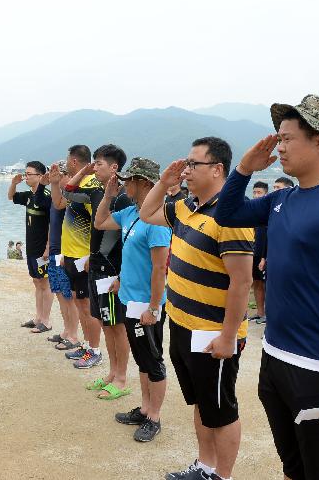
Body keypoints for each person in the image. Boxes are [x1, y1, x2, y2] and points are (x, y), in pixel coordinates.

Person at [214, 95, 319, 480]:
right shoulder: (283, 199)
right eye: (278, 138)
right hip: (275, 356)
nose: (279, 147)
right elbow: (227, 213)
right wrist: (243, 170)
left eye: (287, 138)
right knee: (293, 465)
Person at [141, 137, 254, 480]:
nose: (186, 170)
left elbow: (242, 283)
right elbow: (147, 213)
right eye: (186, 164)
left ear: (218, 169)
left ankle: (223, 475)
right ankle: (205, 466)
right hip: (182, 323)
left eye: (193, 165)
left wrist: (227, 336)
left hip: (213, 333)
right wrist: (164, 182)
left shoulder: (232, 215)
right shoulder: (185, 207)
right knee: (201, 402)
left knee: (221, 409)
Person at [95, 157, 171, 442]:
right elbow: (101, 222)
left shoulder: (158, 221)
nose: (125, 183)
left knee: (153, 361)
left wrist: (153, 307)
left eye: (130, 180)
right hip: (130, 299)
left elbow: (159, 268)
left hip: (146, 305)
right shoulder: (130, 213)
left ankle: (154, 416)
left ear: (144, 183)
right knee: (142, 358)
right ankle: (144, 408)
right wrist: (108, 195)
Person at [63, 144, 133, 385]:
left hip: (112, 271)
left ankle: (121, 377)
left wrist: (123, 275)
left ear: (114, 168)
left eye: (99, 164)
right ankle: (112, 372)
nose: (95, 168)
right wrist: (84, 172)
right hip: (96, 266)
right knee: (106, 322)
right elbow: (68, 192)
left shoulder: (124, 200)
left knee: (117, 327)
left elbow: (128, 242)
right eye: (93, 163)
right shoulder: (98, 194)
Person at [49, 145, 99, 363]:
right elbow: (59, 203)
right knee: (80, 304)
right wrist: (53, 183)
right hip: (70, 254)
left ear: (74, 162)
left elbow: (100, 224)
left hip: (83, 257)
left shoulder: (91, 187)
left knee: (87, 307)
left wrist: (91, 254)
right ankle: (85, 346)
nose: (66, 164)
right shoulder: (76, 185)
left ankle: (95, 351)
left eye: (68, 160)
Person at [9, 161, 53, 333]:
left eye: (29, 174)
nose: (26, 177)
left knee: (45, 283)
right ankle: (38, 317)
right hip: (32, 246)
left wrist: (48, 247)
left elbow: (52, 224)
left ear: (40, 176)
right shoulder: (28, 195)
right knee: (36, 281)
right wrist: (14, 183)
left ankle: (46, 321)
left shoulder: (47, 196)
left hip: (43, 247)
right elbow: (11, 197)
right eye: (25, 174)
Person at [42, 161, 81, 351]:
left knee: (68, 296)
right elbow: (52, 223)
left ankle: (73, 334)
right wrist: (49, 246)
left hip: (66, 252)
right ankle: (66, 330)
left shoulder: (72, 199)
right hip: (55, 251)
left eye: (62, 174)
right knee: (58, 292)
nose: (58, 178)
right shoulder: (56, 197)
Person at [249, 181, 269, 324]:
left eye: (259, 192)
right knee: (256, 283)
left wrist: (264, 257)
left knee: (266, 285)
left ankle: (269, 315)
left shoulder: (269, 211)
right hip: (252, 253)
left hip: (265, 254)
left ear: (265, 194)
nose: (256, 195)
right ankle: (260, 312)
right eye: (254, 192)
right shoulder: (252, 210)